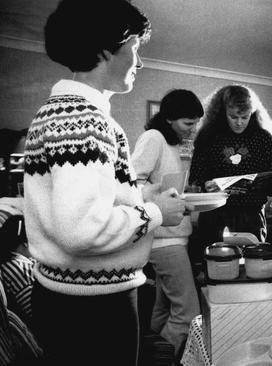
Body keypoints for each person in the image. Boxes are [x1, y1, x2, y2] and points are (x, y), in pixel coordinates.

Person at [22, 1, 186, 365]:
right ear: (106, 50)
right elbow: (82, 229)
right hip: (93, 306)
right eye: (135, 49)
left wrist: (144, 195)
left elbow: (81, 202)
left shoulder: (56, 112)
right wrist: (157, 213)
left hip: (61, 295)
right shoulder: (86, 120)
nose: (139, 63)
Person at [131, 89, 203, 358]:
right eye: (188, 123)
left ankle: (148, 353)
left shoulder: (174, 143)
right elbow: (131, 185)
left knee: (164, 309)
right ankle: (159, 361)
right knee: (187, 313)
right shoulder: (153, 138)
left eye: (196, 123)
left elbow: (169, 189)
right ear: (169, 118)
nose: (193, 129)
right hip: (164, 240)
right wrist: (159, 192)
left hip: (174, 236)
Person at [188, 85, 272, 260]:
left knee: (253, 268)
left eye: (245, 116)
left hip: (251, 217)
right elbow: (195, 179)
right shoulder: (207, 136)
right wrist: (204, 185)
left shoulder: (263, 138)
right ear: (222, 112)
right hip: (215, 216)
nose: (239, 122)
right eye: (233, 116)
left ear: (253, 113)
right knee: (216, 269)